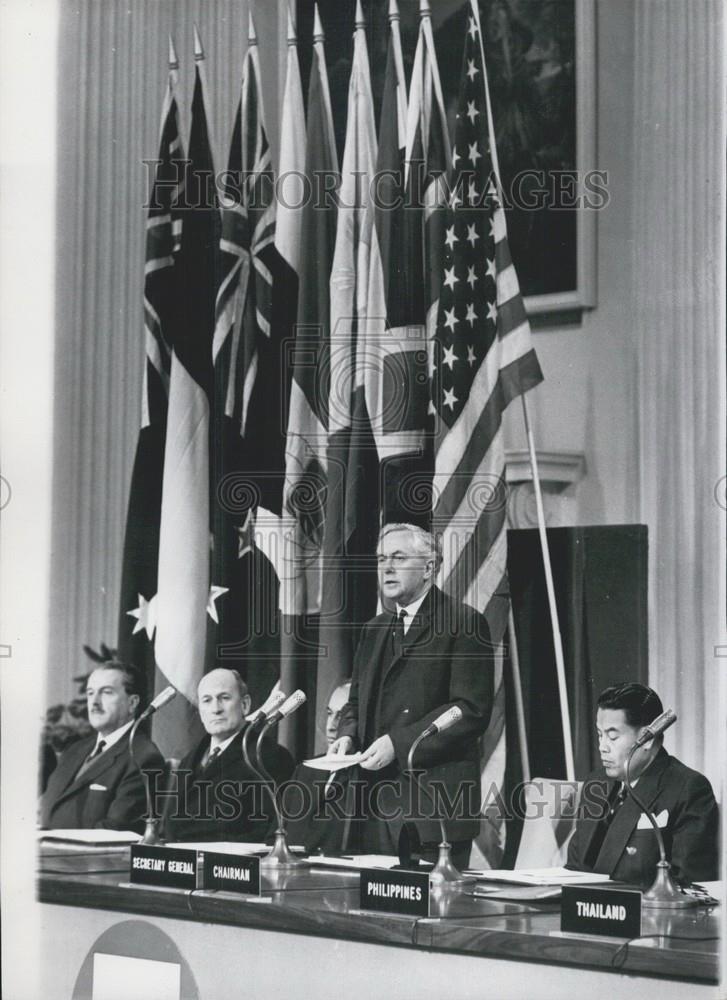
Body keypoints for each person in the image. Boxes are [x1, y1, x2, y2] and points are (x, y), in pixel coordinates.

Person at [331, 523, 494, 868]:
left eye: (399, 558)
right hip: (372, 804)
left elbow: (469, 710)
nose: (386, 567)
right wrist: (347, 735)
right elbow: (355, 702)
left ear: (430, 567)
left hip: (431, 812)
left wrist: (399, 744)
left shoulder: (463, 623)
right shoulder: (373, 630)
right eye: (381, 559)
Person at [567, 682, 719, 886]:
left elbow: (689, 886)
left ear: (646, 739)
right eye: (599, 735)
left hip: (644, 914)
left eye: (613, 736)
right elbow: (574, 868)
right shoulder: (595, 784)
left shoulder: (689, 789)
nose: (602, 747)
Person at [164, 668, 294, 842]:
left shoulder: (269, 756)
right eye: (207, 700)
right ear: (200, 711)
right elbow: (171, 824)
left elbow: (265, 833)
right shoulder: (191, 758)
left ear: (245, 705)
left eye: (224, 698)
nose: (215, 709)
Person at [39, 661, 164, 832]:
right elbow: (46, 810)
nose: (94, 702)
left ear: (132, 703)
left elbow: (115, 830)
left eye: (106, 692)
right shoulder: (75, 749)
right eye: (90, 693)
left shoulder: (143, 757)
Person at [283, 682, 354, 854]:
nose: (330, 726)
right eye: (330, 714)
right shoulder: (306, 769)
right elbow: (274, 837)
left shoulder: (367, 776)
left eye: (342, 716)